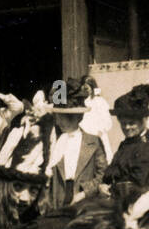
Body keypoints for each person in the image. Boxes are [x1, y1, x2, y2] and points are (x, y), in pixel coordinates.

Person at [102, 84, 149, 199]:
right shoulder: (124, 145)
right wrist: (103, 185)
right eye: (123, 123)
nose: (127, 127)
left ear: (143, 120)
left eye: (131, 123)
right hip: (118, 199)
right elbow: (110, 174)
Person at [44, 78, 107, 210]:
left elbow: (102, 175)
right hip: (59, 198)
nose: (58, 122)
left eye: (63, 118)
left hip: (83, 200)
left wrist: (84, 193)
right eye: (58, 117)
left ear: (78, 118)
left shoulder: (93, 141)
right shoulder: (56, 142)